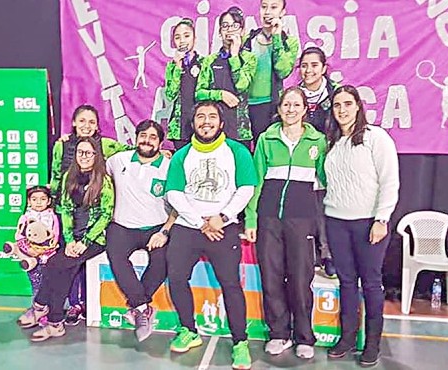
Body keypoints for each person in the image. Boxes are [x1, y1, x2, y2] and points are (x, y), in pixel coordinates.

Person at [165, 101, 257, 369]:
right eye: (200, 117)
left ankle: (240, 342)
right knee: (178, 277)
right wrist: (200, 222)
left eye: (212, 116)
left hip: (224, 227)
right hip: (188, 227)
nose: (206, 121)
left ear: (221, 122)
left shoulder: (237, 151)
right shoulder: (182, 155)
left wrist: (223, 217)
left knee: (230, 284)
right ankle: (189, 330)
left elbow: (247, 187)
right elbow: (173, 192)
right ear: (193, 123)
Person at [244, 87, 327, 359]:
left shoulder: (319, 141)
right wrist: (252, 219)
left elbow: (326, 180)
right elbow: (255, 183)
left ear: (305, 109)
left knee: (301, 280)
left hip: (302, 220)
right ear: (279, 109)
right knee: (271, 278)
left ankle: (304, 337)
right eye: (286, 105)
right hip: (268, 219)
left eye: (296, 105)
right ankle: (278, 333)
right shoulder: (266, 139)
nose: (290, 109)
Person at [324, 86, 399, 367]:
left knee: (371, 283)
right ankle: (347, 338)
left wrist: (382, 219)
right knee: (346, 282)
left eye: (347, 104)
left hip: (368, 223)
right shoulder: (332, 142)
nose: (341, 110)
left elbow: (389, 181)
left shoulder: (375, 138)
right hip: (336, 222)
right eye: (336, 105)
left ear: (358, 106)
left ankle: (372, 344)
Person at [17, 137, 115, 341]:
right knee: (64, 270)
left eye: (88, 153)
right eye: (80, 152)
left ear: (96, 155)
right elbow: (67, 210)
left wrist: (84, 243)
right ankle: (54, 322)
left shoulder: (103, 181)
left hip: (95, 238)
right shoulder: (69, 176)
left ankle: (40, 307)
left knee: (55, 265)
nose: (84, 156)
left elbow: (105, 215)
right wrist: (70, 240)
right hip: (73, 236)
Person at [50, 104, 132, 325]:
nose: (86, 126)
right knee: (69, 261)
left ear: (97, 126)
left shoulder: (105, 145)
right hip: (68, 214)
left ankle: (88, 302)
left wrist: (162, 151)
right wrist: (54, 207)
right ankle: (74, 304)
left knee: (85, 260)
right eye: (82, 121)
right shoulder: (62, 145)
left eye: (91, 122)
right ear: (74, 122)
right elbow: (56, 175)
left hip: (94, 218)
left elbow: (132, 150)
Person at [105, 119, 176, 342]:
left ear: (161, 142)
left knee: (163, 261)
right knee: (116, 255)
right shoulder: (118, 160)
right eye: (143, 135)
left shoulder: (170, 166)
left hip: (156, 227)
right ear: (135, 138)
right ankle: (143, 307)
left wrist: (164, 231)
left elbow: (177, 205)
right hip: (122, 225)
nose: (146, 140)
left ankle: (135, 307)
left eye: (153, 137)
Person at [298, 46, 340, 278]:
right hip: (301, 164)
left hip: (328, 162)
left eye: (314, 65)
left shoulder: (335, 96)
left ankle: (328, 255)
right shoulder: (295, 96)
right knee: (304, 213)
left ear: (324, 68)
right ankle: (308, 256)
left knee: (325, 212)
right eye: (304, 65)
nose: (309, 70)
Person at [195, 6, 257, 145]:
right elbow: (199, 93)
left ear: (242, 31)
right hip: (214, 129)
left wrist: (234, 55)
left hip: (240, 130)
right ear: (220, 32)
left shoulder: (249, 58)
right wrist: (220, 95)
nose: (229, 30)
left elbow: (242, 86)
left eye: (234, 26)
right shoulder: (210, 60)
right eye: (225, 26)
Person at [242, 0, 299, 144]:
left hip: (271, 106)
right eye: (264, 7)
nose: (267, 12)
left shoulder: (289, 42)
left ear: (282, 12)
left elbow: (283, 71)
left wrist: (277, 38)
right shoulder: (247, 40)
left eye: (273, 7)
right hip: (244, 107)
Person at [3, 185, 59, 297]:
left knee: (50, 284)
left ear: (48, 201)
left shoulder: (52, 217)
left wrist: (45, 251)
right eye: (34, 199)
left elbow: (55, 235)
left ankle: (50, 309)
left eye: (43, 199)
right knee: (36, 283)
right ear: (29, 201)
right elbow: (19, 236)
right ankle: (38, 309)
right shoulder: (25, 217)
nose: (38, 202)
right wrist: (29, 250)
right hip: (30, 255)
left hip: (47, 256)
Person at [164, 18, 202, 150]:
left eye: (186, 35)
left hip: (200, 123)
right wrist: (178, 67)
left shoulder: (204, 62)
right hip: (179, 126)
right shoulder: (171, 66)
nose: (182, 41)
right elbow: (170, 94)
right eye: (177, 37)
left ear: (194, 38)